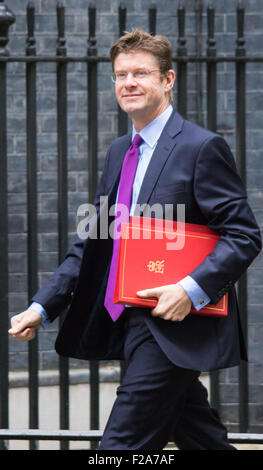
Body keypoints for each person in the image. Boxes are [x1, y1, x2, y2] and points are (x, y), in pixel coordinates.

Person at [9, 29, 261, 450]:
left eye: (141, 73)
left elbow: (243, 235)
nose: (128, 83)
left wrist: (190, 289)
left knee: (119, 450)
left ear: (168, 80)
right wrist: (43, 305)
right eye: (121, 75)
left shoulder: (201, 147)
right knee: (201, 440)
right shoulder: (118, 152)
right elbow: (94, 240)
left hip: (176, 326)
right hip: (129, 319)